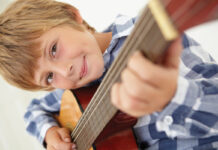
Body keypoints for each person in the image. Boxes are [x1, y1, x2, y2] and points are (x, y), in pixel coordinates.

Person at [0, 0, 218, 150]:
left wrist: (171, 98)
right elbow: (33, 111)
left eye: (54, 49)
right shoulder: (73, 89)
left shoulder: (150, 38)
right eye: (48, 77)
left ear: (71, 15)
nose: (64, 70)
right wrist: (49, 134)